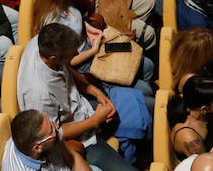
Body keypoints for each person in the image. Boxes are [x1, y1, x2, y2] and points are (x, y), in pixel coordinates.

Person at [17, 22, 135, 171]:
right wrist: (95, 121)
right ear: (53, 58)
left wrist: (93, 90)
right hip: (74, 138)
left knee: (136, 110)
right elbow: (55, 134)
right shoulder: (38, 94)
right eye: (72, 54)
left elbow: (66, 67)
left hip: (80, 106)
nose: (77, 55)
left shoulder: (41, 42)